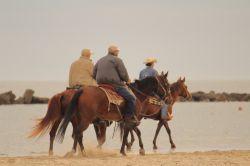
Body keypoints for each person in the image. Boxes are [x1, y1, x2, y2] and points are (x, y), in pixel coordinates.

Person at [93, 45, 139, 125]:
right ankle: (128, 118)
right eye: (117, 51)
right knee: (132, 98)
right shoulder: (117, 60)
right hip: (115, 85)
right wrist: (127, 80)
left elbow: (93, 74)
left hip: (101, 85)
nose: (118, 53)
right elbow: (123, 73)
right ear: (115, 52)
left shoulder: (100, 60)